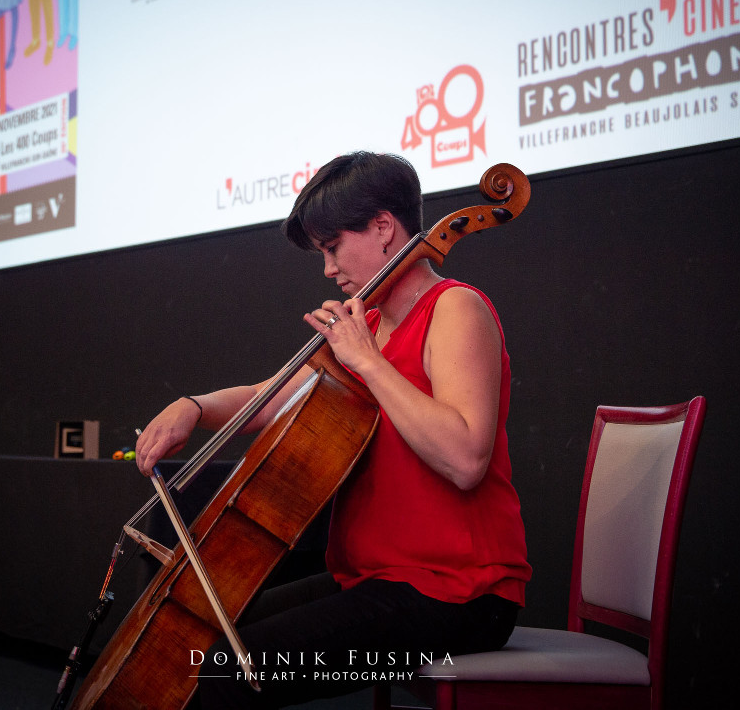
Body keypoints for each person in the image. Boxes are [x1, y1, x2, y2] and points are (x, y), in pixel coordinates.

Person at [135, 151, 531, 709]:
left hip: (458, 596)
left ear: (383, 227)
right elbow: (265, 401)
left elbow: (465, 459)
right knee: (203, 640)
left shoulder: (456, 309)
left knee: (228, 673)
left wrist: (370, 363)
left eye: (332, 247)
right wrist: (194, 407)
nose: (328, 269)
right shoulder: (364, 325)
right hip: (381, 580)